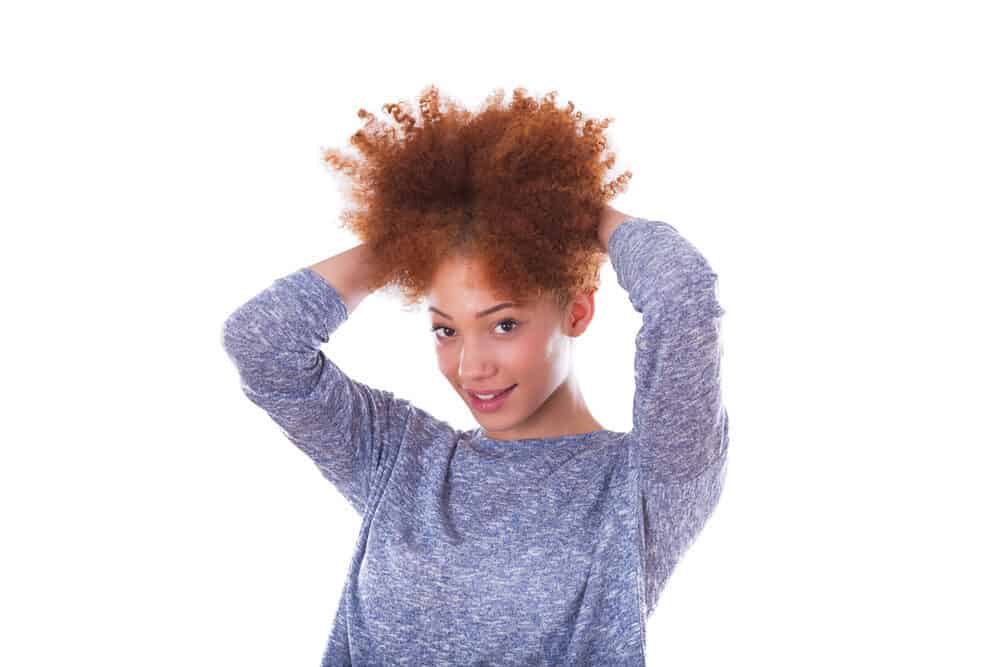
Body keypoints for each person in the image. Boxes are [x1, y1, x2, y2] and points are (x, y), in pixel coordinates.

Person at [221, 84, 729, 666]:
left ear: (578, 311)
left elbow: (683, 293)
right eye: (446, 329)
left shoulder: (650, 479)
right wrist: (407, 241)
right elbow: (261, 343)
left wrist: (581, 217)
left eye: (504, 324)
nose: (471, 367)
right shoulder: (399, 458)